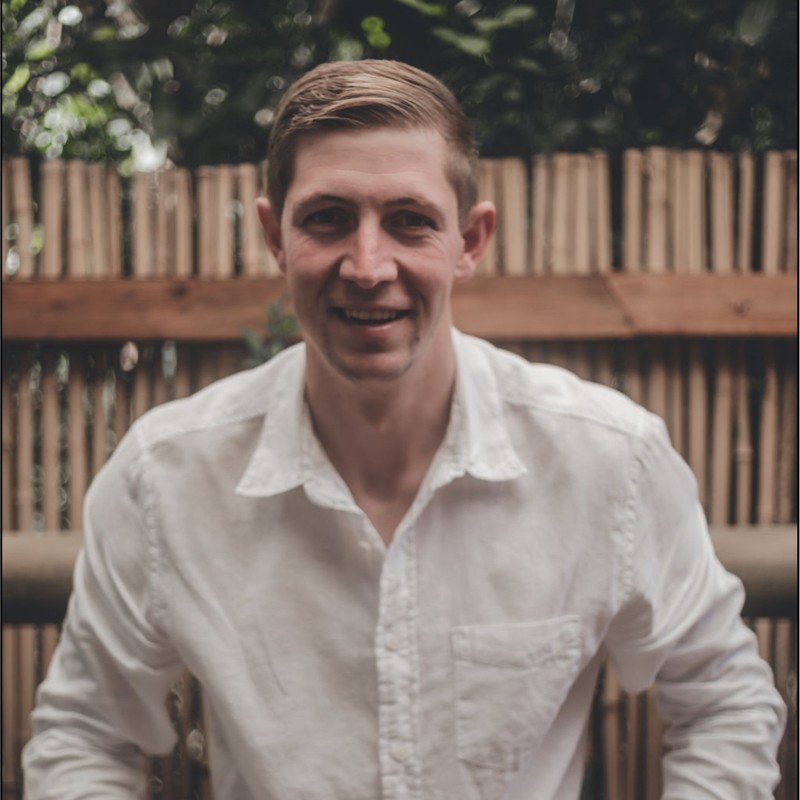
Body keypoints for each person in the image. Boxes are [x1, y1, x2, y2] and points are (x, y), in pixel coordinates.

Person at [23, 59, 785, 800]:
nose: (367, 264)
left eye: (409, 222)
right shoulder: (166, 478)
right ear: (275, 236)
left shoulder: (609, 463)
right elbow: (86, 733)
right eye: (328, 219)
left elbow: (724, 701)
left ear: (470, 241)